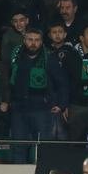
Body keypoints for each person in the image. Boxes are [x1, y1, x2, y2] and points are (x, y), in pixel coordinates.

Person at [7, 27, 69, 163]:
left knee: (43, 148)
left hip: (42, 108)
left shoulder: (49, 58)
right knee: (18, 147)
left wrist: (61, 105)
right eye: (30, 40)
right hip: (19, 108)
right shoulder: (16, 57)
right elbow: (8, 80)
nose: (33, 43)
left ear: (41, 42)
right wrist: (7, 100)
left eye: (37, 40)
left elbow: (62, 83)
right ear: (24, 40)